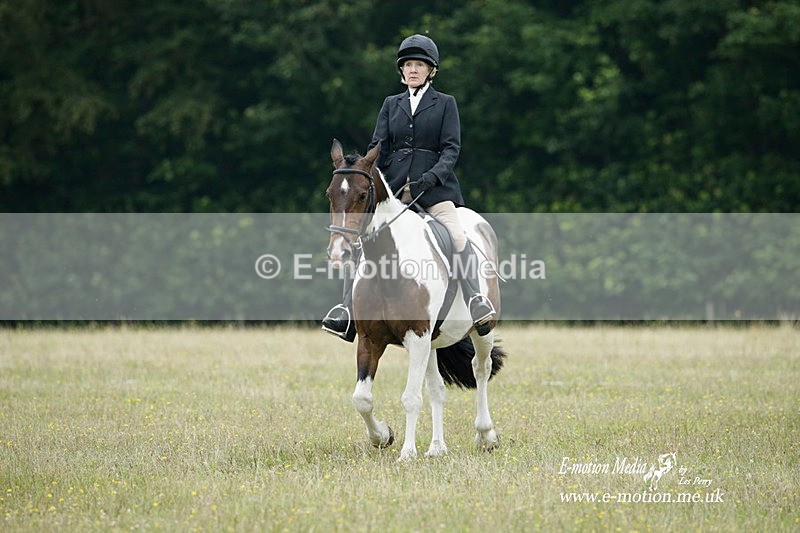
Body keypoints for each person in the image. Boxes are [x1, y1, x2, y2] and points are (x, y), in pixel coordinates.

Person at [322, 34, 495, 341]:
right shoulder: (391, 104)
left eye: (419, 65)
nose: (413, 70)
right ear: (401, 71)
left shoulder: (445, 104)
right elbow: (379, 147)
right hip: (395, 192)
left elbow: (451, 150)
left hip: (436, 191)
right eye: (408, 65)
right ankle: (346, 310)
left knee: (456, 235)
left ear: (432, 71)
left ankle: (475, 301)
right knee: (360, 240)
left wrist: (430, 178)